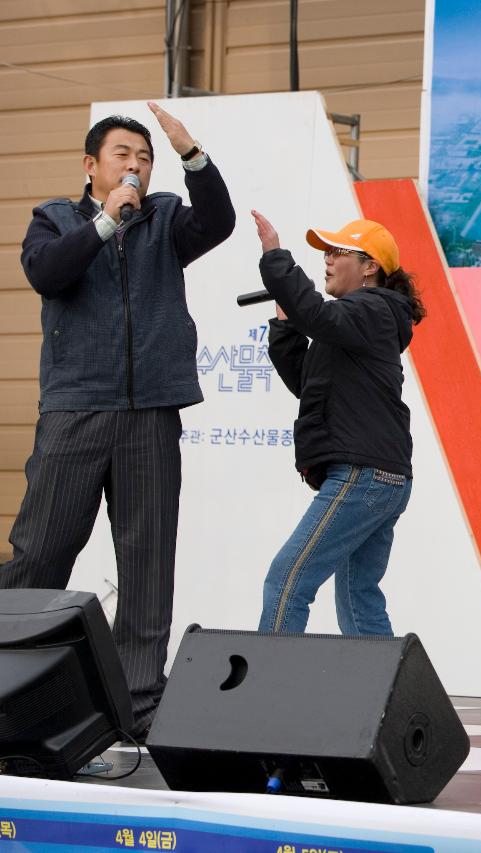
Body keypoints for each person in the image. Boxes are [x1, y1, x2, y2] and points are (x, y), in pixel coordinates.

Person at [0, 104, 235, 738]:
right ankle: (9, 695)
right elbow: (47, 273)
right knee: (38, 556)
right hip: (75, 411)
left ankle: (138, 713)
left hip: (150, 415)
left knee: (148, 563)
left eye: (145, 156)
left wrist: (192, 156)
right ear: (90, 166)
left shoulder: (162, 218)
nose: (136, 166)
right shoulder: (54, 219)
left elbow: (219, 221)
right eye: (122, 156)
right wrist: (106, 222)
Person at [251, 212, 424, 635]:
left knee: (287, 581)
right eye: (326, 252)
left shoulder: (374, 308)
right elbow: (308, 385)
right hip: (380, 476)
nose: (327, 259)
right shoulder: (358, 322)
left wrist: (276, 258)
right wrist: (286, 324)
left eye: (338, 252)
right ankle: (380, 701)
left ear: (370, 267)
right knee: (358, 599)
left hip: (363, 475)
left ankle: (263, 695)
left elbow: (318, 316)